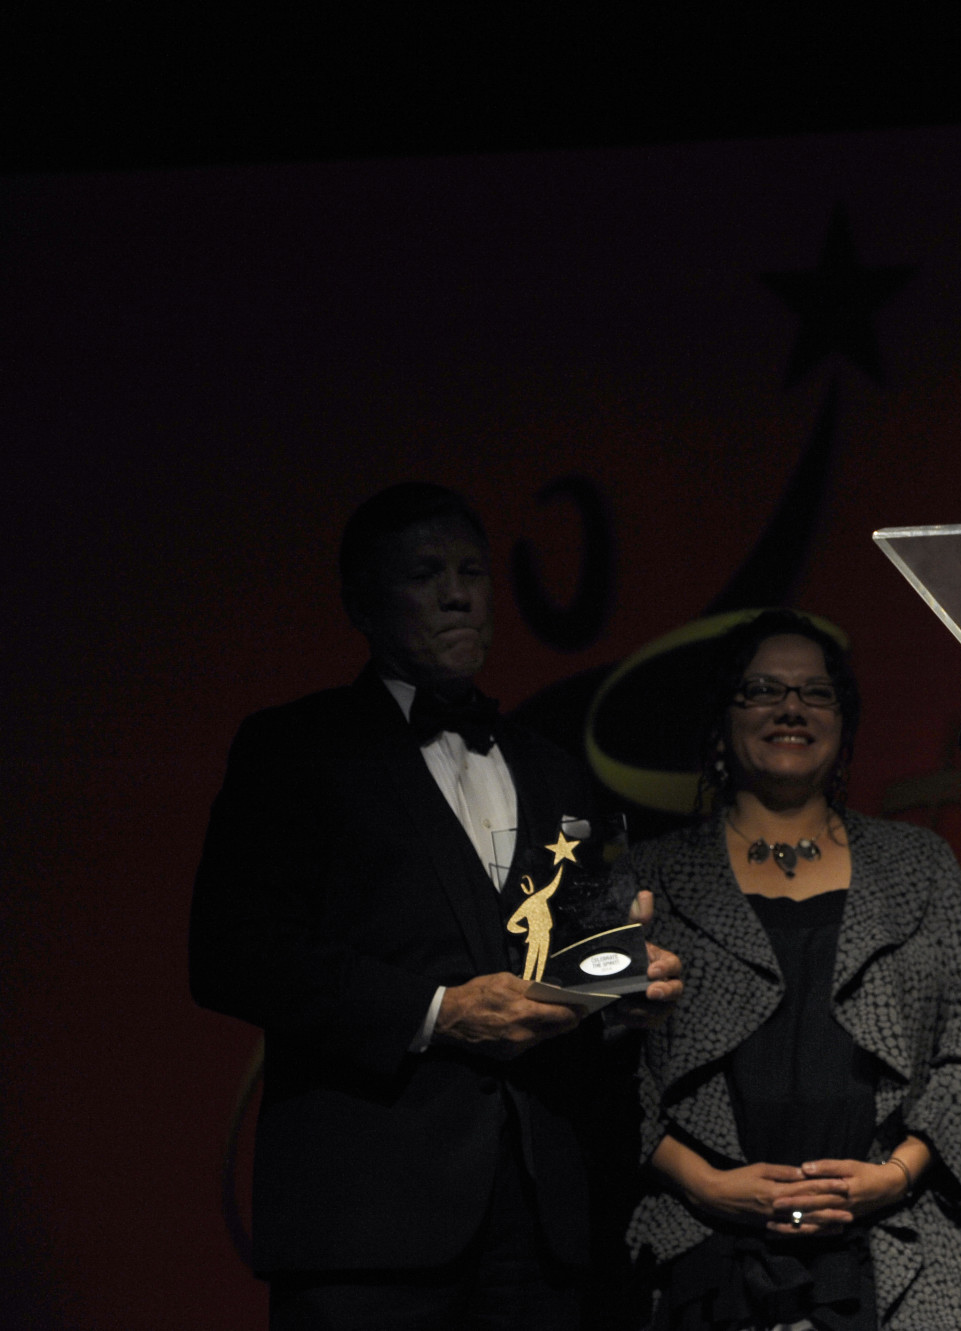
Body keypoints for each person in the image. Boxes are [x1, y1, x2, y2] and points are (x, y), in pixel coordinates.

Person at [188, 482, 682, 1331]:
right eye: (425, 574)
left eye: (472, 572)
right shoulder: (294, 748)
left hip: (541, 1221)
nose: (458, 594)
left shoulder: (555, 768)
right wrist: (437, 1011)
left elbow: (570, 961)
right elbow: (236, 951)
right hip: (367, 1222)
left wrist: (622, 987)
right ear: (361, 603)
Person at [620, 610, 961, 1331]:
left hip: (893, 1251)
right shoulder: (653, 875)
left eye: (816, 692)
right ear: (723, 718)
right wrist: (706, 1184)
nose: (791, 708)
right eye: (763, 689)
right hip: (702, 1255)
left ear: (843, 722)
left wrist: (895, 1175)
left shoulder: (920, 866)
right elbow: (610, 1074)